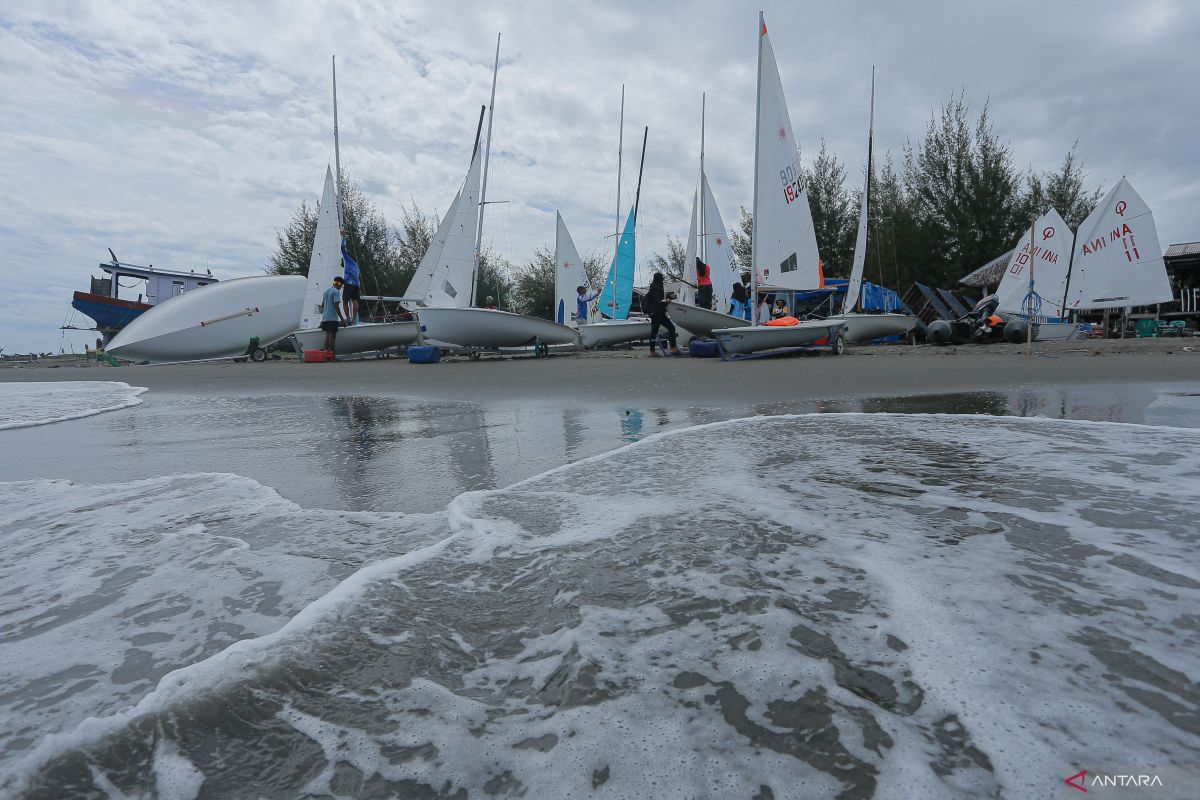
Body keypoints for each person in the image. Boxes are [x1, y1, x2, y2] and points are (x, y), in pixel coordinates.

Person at [643, 272, 681, 356]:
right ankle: (672, 348)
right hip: (657, 314)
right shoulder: (657, 288)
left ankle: (653, 351)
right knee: (670, 328)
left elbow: (657, 301)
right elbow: (657, 303)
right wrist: (667, 302)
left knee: (655, 332)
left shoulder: (654, 287)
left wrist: (668, 299)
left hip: (657, 313)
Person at [340, 229, 361, 324]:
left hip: (349, 284)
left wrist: (344, 237)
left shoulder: (348, 259)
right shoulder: (356, 265)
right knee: (355, 301)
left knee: (344, 301)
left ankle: (348, 318)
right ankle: (354, 319)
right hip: (357, 284)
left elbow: (342, 248)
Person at [321, 276, 346, 353]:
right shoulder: (336, 292)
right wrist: (342, 319)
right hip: (332, 318)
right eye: (341, 285)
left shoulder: (326, 291)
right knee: (332, 336)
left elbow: (322, 305)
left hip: (325, 318)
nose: (341, 287)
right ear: (339, 283)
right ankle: (332, 356)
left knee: (328, 336)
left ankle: (326, 354)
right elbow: (336, 306)